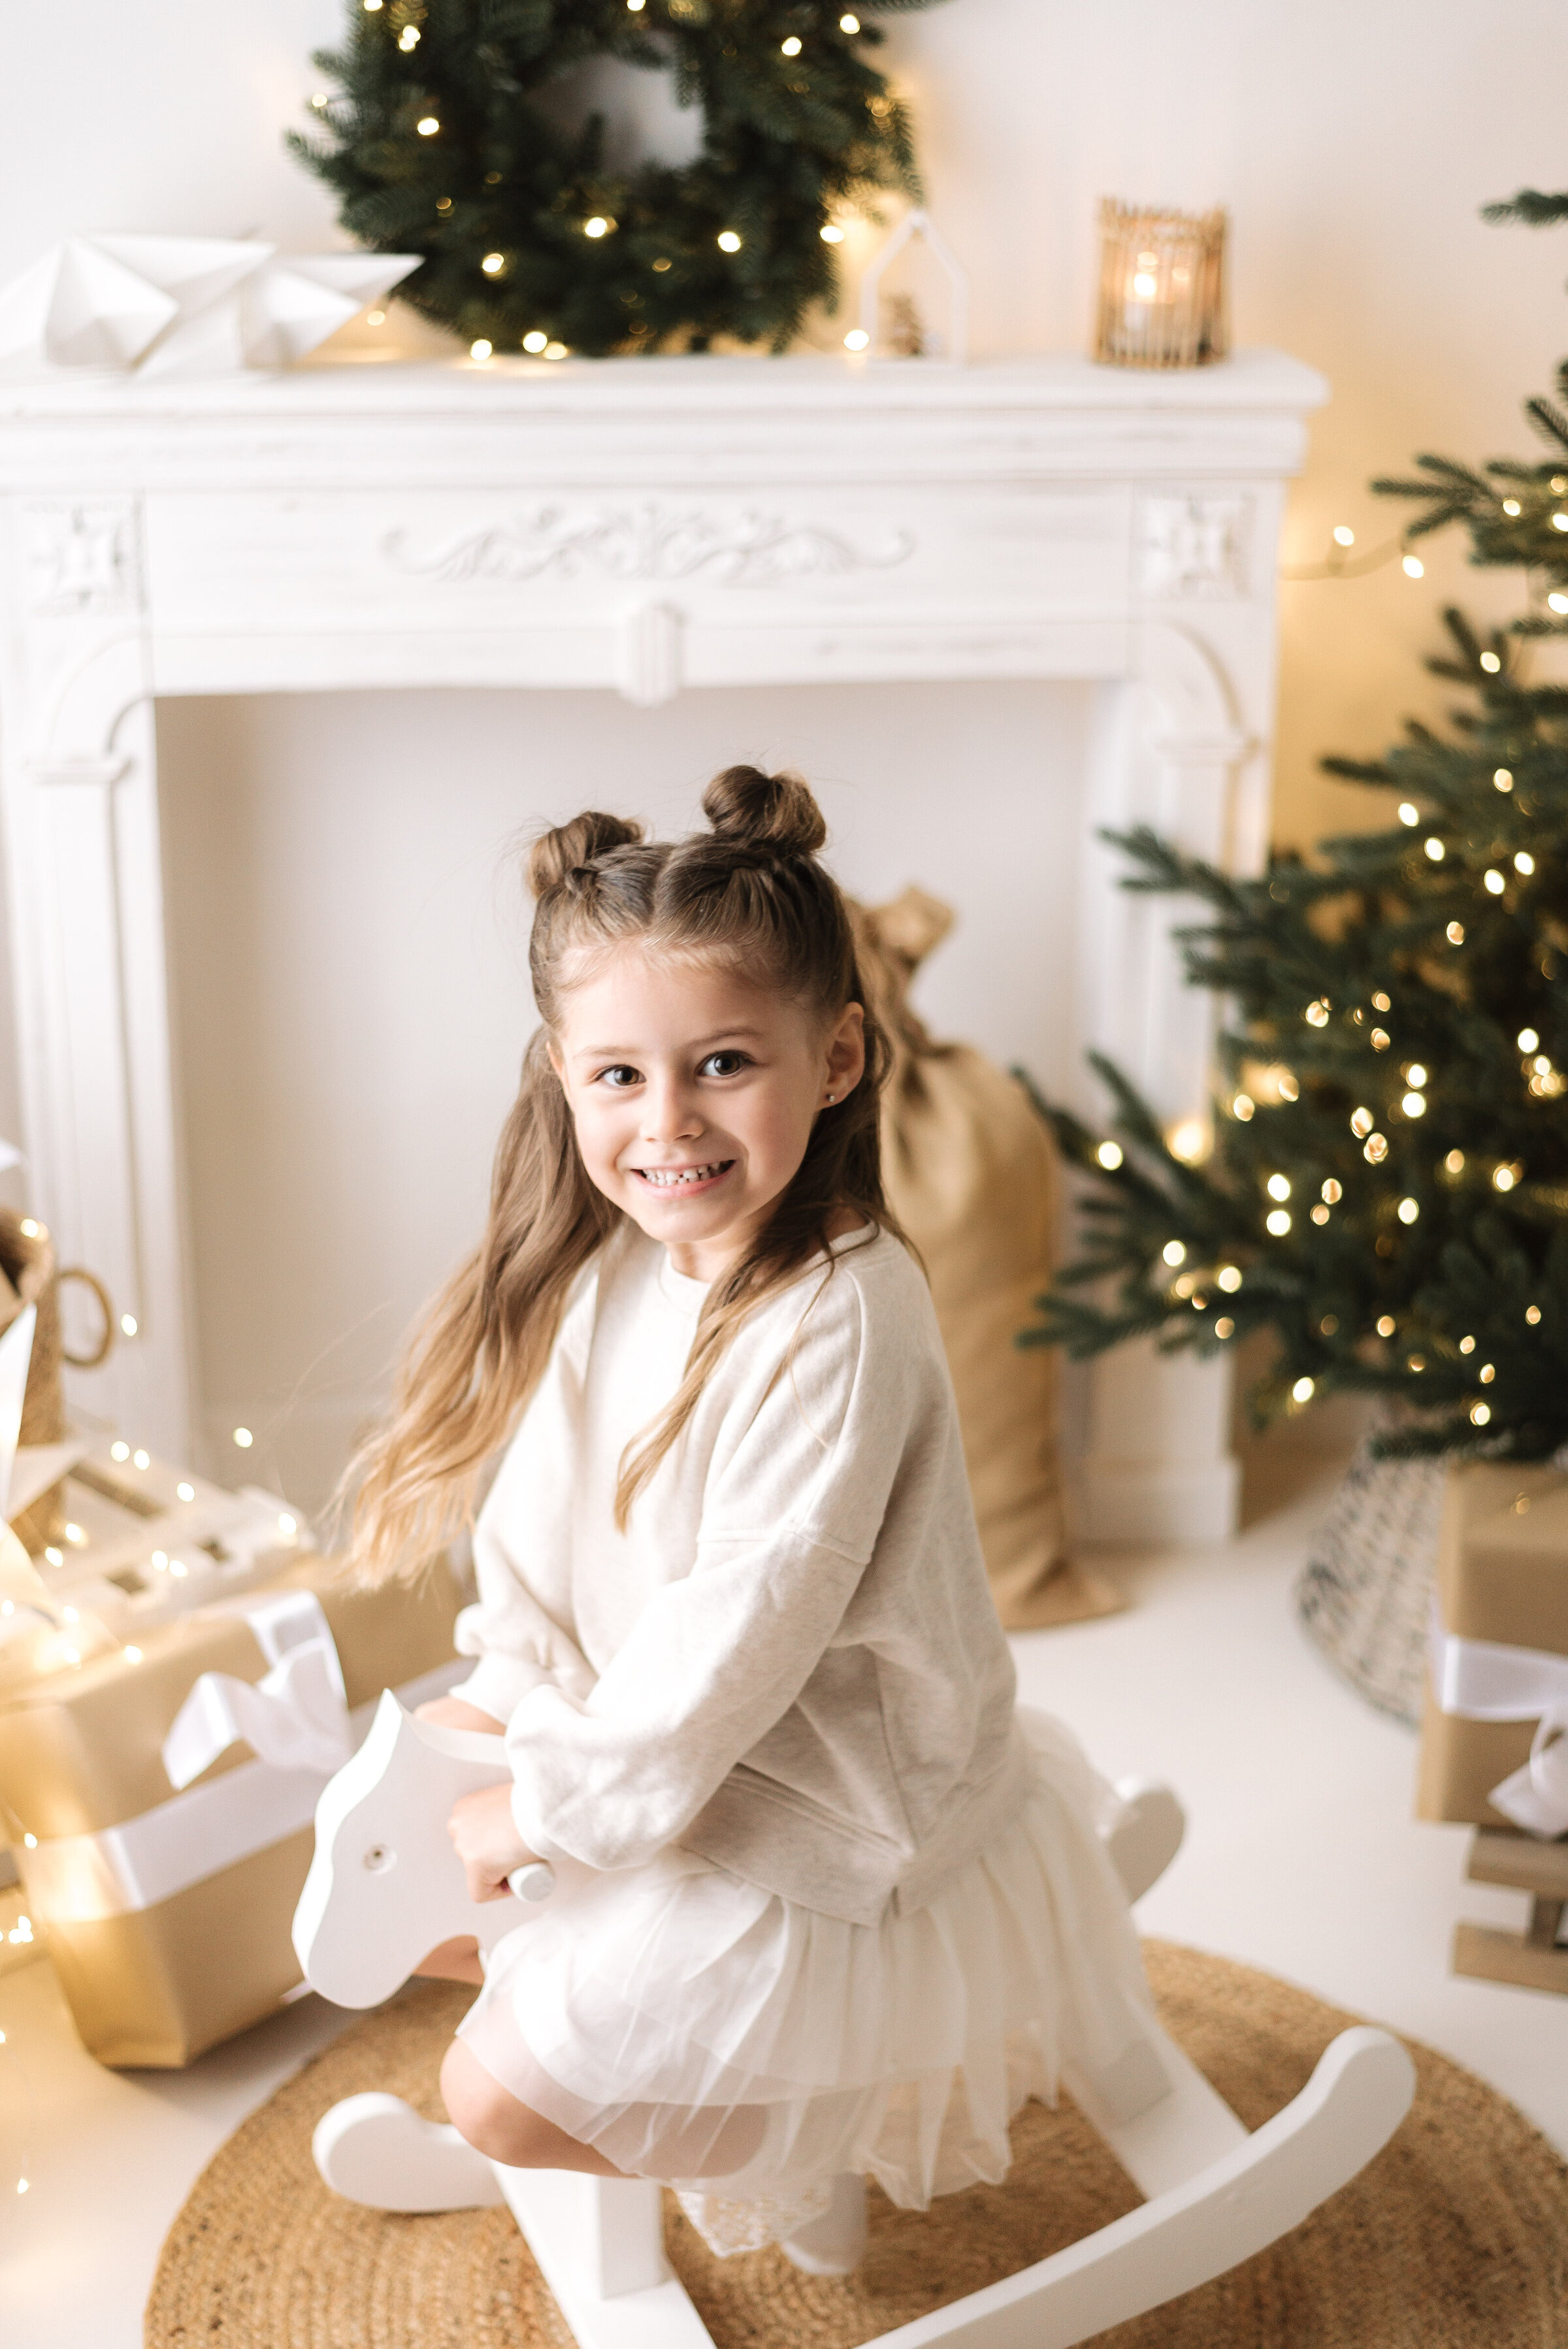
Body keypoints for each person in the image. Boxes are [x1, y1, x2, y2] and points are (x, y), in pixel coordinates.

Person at [344, 764, 1165, 2267]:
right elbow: (537, 1531)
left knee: (495, 2093)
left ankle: (809, 2127)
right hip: (671, 1758)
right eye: (620, 1075)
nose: (670, 1122)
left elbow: (741, 1627)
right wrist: (504, 1699)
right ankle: (685, 2073)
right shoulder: (611, 1271)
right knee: (432, 1892)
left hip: (826, 1820)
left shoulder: (843, 1315)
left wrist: (552, 1806)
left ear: (838, 1052)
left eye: (724, 1062)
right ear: (561, 1071)